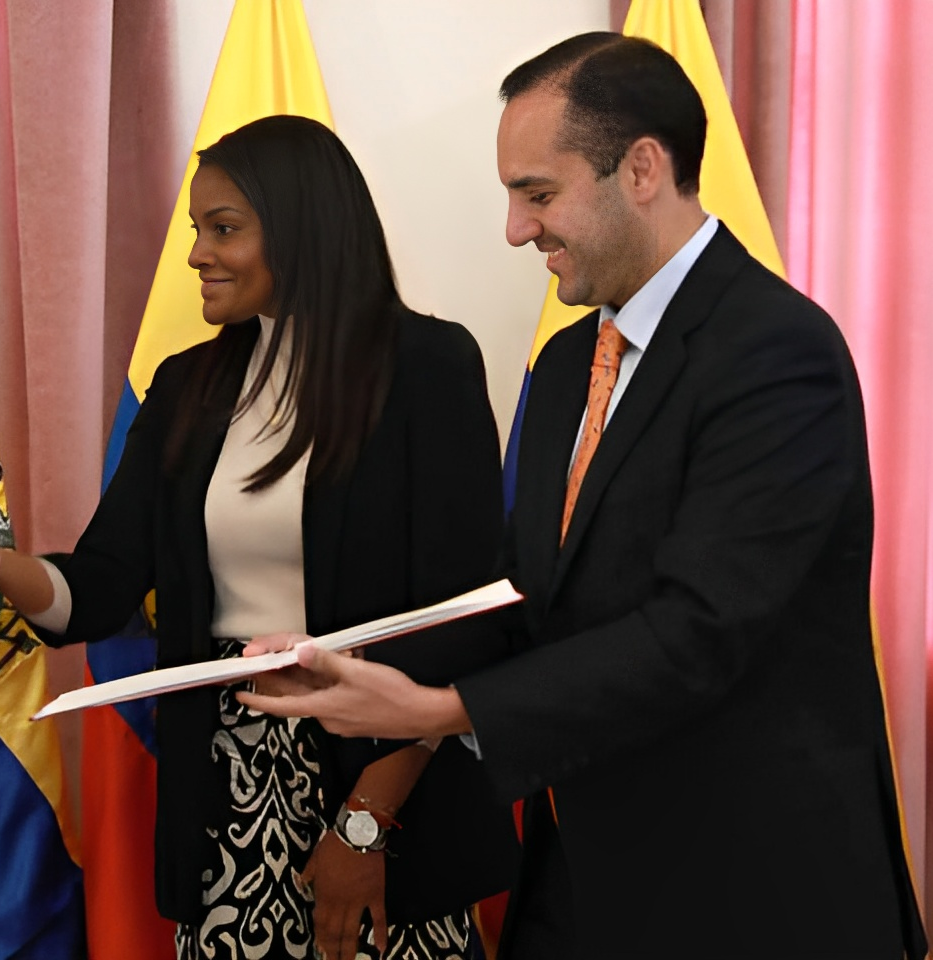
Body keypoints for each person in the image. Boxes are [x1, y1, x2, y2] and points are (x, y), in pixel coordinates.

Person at [239, 34, 928, 960]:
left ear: (642, 169)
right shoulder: (569, 363)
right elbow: (524, 591)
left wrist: (447, 712)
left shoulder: (777, 353)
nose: (517, 231)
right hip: (583, 876)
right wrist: (348, 662)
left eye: (538, 193)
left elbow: (699, 633)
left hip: (749, 891)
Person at [0, 115, 518, 960]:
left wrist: (363, 825)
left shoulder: (427, 367)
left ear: (305, 228)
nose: (198, 253)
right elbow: (99, 585)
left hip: (384, 791)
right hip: (224, 799)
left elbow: (463, 626)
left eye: (224, 229)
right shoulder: (187, 386)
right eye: (197, 230)